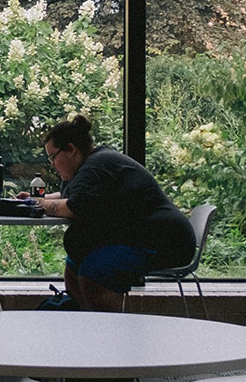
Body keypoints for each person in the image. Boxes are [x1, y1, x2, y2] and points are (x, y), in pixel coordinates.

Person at [35, 115, 195, 313]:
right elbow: (72, 196)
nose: (51, 164)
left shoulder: (96, 166)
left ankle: (109, 334)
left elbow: (76, 206)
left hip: (165, 242)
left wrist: (40, 203)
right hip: (142, 238)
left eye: (52, 157)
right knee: (74, 265)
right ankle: (86, 325)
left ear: (71, 149)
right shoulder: (91, 165)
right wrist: (34, 200)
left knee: (92, 275)